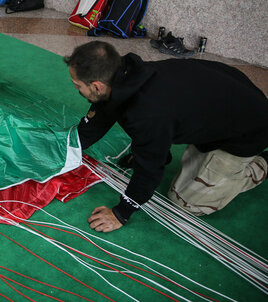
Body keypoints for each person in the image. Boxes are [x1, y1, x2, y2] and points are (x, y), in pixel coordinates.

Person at [65, 41, 268, 232]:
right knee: (167, 141)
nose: (75, 89)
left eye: (77, 85)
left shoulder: (147, 114)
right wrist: (70, 147)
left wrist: (121, 213)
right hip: (226, 103)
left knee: (183, 201)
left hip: (247, 132)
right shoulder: (124, 74)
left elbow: (150, 169)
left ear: (97, 86)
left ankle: (259, 165)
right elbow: (102, 114)